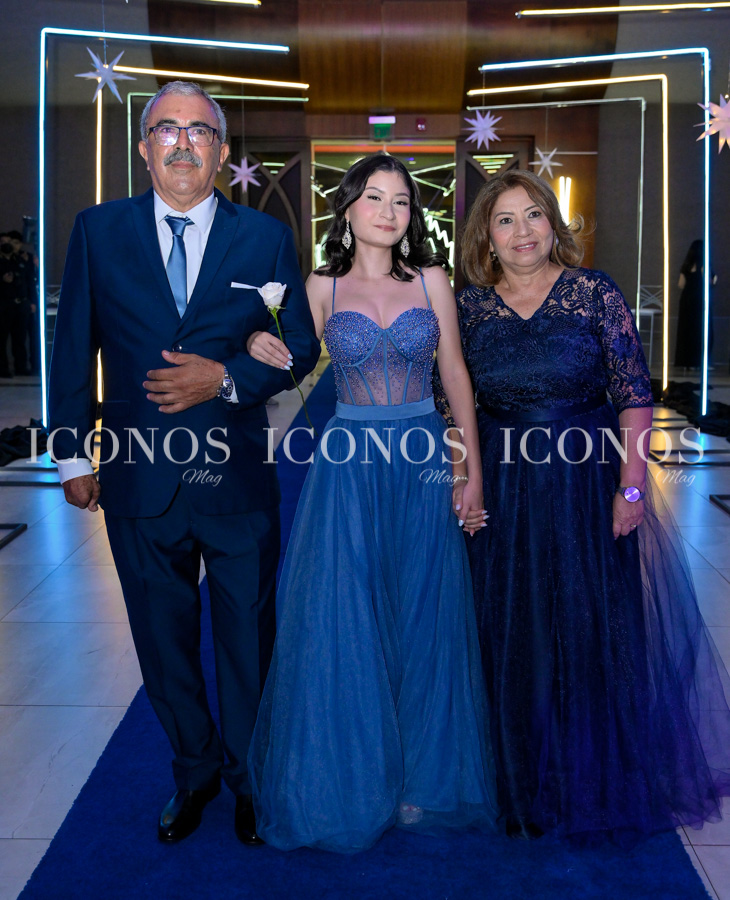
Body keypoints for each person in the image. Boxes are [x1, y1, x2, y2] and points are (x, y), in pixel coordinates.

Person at [48, 82, 321, 846]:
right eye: (165, 128)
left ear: (221, 151)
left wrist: (227, 377)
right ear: (144, 147)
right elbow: (72, 348)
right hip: (139, 476)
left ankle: (249, 779)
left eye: (198, 131)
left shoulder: (263, 238)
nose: (181, 142)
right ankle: (194, 771)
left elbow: (299, 345)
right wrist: (69, 453)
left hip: (235, 477)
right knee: (162, 640)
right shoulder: (98, 231)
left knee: (248, 639)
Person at [435, 169, 730, 845]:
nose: (522, 232)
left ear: (553, 222)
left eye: (533, 215)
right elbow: (453, 404)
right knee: (512, 630)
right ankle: (518, 775)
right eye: (505, 220)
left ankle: (589, 775)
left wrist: (632, 486)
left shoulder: (594, 293)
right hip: (504, 486)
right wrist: (464, 477)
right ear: (485, 236)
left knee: (588, 623)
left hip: (585, 485)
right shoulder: (469, 307)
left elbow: (634, 396)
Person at [245, 153, 498, 852]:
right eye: (375, 198)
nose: (389, 212)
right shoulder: (321, 285)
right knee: (348, 615)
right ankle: (353, 777)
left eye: (402, 201)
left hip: (422, 458)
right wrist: (257, 337)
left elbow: (455, 374)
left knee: (423, 612)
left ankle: (422, 778)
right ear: (349, 208)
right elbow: (291, 360)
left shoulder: (432, 279)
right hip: (348, 467)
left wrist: (470, 470)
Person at [674, 238, 716, 370]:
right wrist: (714, 279)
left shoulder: (686, 266)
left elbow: (681, 284)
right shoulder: (704, 266)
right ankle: (701, 363)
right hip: (700, 301)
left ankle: (687, 362)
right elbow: (708, 282)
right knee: (702, 331)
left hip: (686, 301)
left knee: (687, 331)